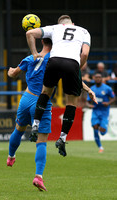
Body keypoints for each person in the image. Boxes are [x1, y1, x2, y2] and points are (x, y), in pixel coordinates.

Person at [26, 15, 97, 157]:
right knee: (71, 102)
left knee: (45, 92)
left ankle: (35, 124)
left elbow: (30, 33)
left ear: (60, 24)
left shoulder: (54, 28)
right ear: (73, 23)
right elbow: (85, 53)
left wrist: (35, 53)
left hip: (54, 61)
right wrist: (78, 67)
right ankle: (62, 138)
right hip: (72, 63)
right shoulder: (83, 31)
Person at [7, 38, 52, 191]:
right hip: (42, 101)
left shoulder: (29, 58)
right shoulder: (55, 60)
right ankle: (38, 176)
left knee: (18, 130)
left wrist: (10, 70)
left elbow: (13, 74)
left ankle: (11, 156)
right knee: (42, 141)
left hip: (26, 98)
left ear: (42, 42)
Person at [87, 73, 115, 153]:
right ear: (94, 78)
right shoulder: (91, 89)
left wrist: (108, 103)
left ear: (102, 78)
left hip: (104, 112)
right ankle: (100, 147)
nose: (98, 79)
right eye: (96, 77)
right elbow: (88, 101)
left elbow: (113, 98)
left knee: (102, 131)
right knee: (95, 127)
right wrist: (89, 105)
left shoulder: (107, 88)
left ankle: (102, 128)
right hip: (95, 111)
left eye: (99, 77)